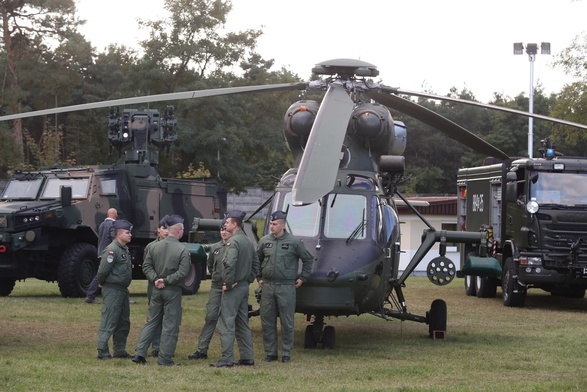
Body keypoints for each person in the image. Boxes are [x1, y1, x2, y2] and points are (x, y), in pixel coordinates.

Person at [132, 215, 191, 366]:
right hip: (172, 290)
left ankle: (139, 353)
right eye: (182, 229)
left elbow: (146, 266)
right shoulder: (182, 249)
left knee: (151, 322)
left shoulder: (153, 247)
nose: (183, 232)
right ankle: (164, 358)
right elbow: (183, 272)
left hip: (156, 289)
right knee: (170, 324)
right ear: (178, 230)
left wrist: (155, 280)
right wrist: (165, 281)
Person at [257, 210, 314, 363]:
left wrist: (303, 278)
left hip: (286, 286)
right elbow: (256, 260)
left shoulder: (293, 242)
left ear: (282, 225)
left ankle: (286, 353)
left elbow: (308, 259)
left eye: (275, 224)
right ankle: (271, 353)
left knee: (287, 321)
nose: (271, 226)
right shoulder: (264, 241)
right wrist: (258, 277)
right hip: (268, 286)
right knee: (267, 320)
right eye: (271, 223)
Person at [210, 210, 259, 368]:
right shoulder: (247, 241)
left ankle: (227, 359)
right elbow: (256, 264)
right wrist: (248, 279)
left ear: (235, 224)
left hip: (234, 288)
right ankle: (247, 357)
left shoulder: (234, 242)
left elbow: (229, 264)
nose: (225, 225)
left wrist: (229, 283)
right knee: (242, 322)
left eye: (228, 222)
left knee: (226, 323)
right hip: (243, 286)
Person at [188, 221, 233, 360]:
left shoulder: (235, 246)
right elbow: (211, 266)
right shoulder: (215, 247)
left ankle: (228, 353)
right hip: (217, 286)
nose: (224, 232)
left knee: (228, 321)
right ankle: (202, 349)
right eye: (221, 230)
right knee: (210, 317)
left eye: (226, 230)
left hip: (232, 287)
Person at [96, 219, 133, 360]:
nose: (130, 235)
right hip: (113, 289)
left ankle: (119, 350)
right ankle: (102, 352)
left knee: (123, 321)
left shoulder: (124, 249)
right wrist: (101, 283)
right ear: (118, 234)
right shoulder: (112, 250)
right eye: (127, 232)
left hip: (122, 290)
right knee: (109, 320)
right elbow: (103, 270)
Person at [143, 215, 169, 357]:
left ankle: (166, 346)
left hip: (170, 286)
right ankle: (156, 346)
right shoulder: (151, 247)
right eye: (163, 228)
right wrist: (156, 280)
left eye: (168, 228)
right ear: (158, 230)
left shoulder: (176, 246)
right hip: (154, 286)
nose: (165, 231)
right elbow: (147, 267)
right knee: (155, 317)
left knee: (169, 317)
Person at [86, 208, 118, 304]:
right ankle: (91, 295)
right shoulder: (113, 225)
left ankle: (92, 295)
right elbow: (114, 240)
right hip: (109, 254)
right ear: (115, 215)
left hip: (101, 252)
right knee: (111, 274)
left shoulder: (102, 225)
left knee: (102, 274)